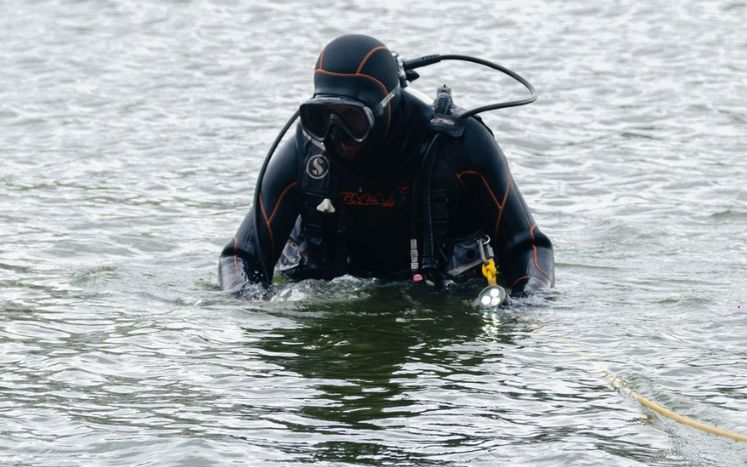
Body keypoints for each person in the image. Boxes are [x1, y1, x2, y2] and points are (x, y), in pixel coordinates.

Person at [218, 34, 554, 300]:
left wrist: (529, 302)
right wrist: (249, 299)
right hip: (333, 288)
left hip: (441, 296)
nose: (337, 136)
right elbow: (240, 256)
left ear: (386, 106)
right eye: (323, 118)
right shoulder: (307, 152)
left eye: (353, 119)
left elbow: (529, 245)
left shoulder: (461, 146)